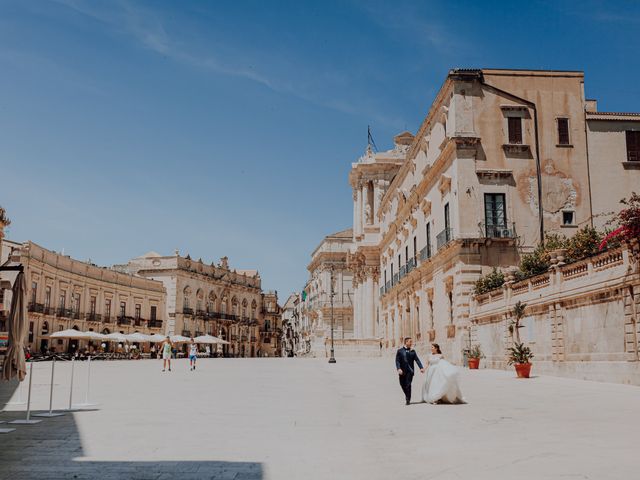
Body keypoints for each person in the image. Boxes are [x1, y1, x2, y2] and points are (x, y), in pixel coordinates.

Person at [395, 337, 425, 405]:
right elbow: (397, 361)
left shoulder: (413, 351)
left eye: (411, 342)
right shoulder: (399, 351)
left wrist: (421, 367)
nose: (411, 343)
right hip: (402, 371)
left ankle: (408, 399)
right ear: (406, 342)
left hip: (410, 371)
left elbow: (417, 360)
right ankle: (407, 394)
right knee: (402, 384)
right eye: (410, 342)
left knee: (408, 385)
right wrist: (398, 368)